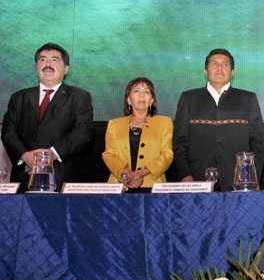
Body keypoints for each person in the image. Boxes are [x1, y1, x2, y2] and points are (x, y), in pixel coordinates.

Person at [1, 43, 93, 192]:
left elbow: (83, 133)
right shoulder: (19, 97)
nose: (48, 64)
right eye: (42, 59)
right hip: (24, 176)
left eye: (54, 60)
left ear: (66, 69)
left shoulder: (79, 97)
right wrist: (26, 156)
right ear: (36, 67)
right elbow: (8, 132)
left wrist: (47, 158)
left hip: (61, 178)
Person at [173, 49, 264, 191]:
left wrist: (253, 177)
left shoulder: (248, 98)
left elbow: (258, 142)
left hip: (239, 181)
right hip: (197, 180)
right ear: (205, 71)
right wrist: (185, 175)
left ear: (232, 72)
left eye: (225, 64)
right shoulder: (189, 98)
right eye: (214, 64)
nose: (220, 68)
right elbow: (180, 141)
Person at [102, 78, 173, 191]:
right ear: (128, 100)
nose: (141, 95)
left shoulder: (165, 123)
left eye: (146, 92)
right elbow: (108, 155)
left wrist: (142, 173)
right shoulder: (114, 124)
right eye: (136, 91)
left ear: (151, 101)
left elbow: (167, 154)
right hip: (120, 186)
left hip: (153, 187)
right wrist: (127, 174)